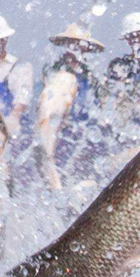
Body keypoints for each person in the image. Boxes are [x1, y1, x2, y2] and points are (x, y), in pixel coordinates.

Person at [40, 23, 108, 179]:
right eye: (71, 42)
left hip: (85, 133)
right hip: (62, 132)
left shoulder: (92, 75)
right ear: (65, 45)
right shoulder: (53, 69)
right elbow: (50, 103)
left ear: (86, 48)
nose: (75, 47)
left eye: (79, 43)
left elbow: (103, 104)